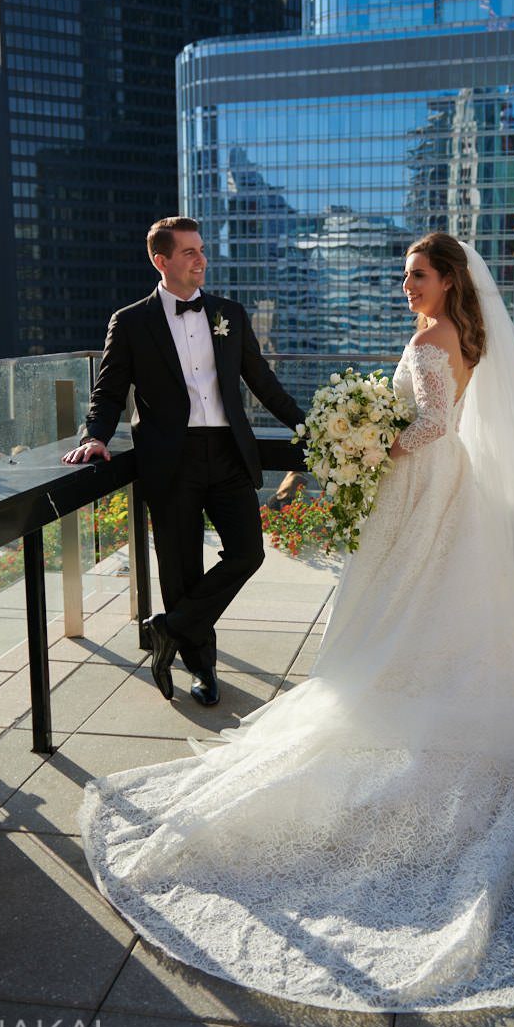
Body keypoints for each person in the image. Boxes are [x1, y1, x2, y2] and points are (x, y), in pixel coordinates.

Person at [79, 234, 514, 1013]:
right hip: (409, 483)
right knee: (421, 606)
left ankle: (374, 701)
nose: (405, 284)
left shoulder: (431, 336)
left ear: (448, 280)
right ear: (162, 261)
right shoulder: (454, 333)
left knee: (409, 601)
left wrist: (371, 443)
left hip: (424, 484)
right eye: (404, 275)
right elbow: (115, 389)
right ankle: (196, 640)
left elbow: (432, 425)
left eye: (417, 274)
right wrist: (346, 436)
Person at [63, 216, 305, 706]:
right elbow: (108, 392)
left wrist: (307, 427)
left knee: (247, 553)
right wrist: (94, 436)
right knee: (180, 570)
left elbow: (263, 382)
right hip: (170, 461)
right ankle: (202, 668)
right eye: (190, 252)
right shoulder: (130, 322)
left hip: (230, 454)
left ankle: (169, 628)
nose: (202, 259)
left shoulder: (230, 314)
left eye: (201, 250)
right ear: (162, 260)